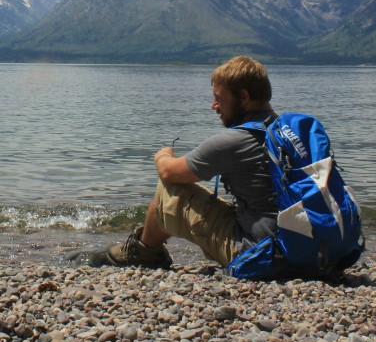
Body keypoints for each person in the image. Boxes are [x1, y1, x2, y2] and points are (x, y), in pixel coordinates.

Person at [97, 55, 279, 270]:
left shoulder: (234, 141)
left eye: (219, 98)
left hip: (262, 255)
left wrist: (162, 155)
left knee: (171, 190)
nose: (214, 106)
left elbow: (169, 173)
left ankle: (144, 252)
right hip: (314, 252)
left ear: (244, 96)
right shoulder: (287, 132)